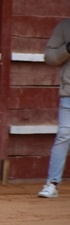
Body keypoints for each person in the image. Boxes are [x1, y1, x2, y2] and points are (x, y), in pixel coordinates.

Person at [39, 18, 70, 198]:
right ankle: (52, 183)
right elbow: (49, 57)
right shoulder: (66, 27)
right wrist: (67, 49)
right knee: (64, 135)